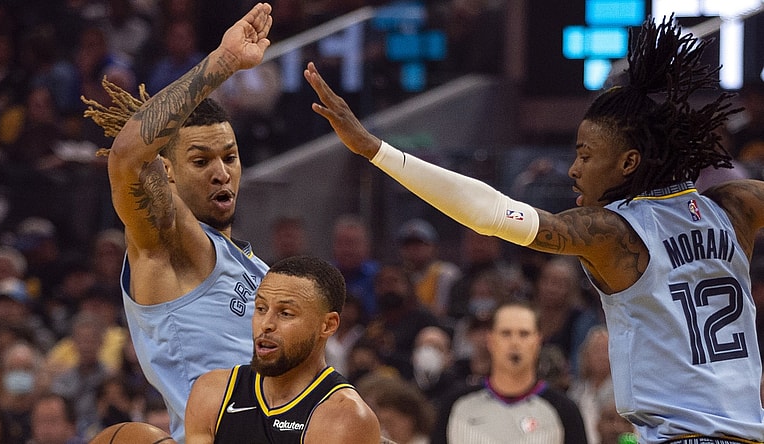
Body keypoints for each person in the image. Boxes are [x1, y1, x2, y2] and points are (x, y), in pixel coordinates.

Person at [304, 14, 764, 443]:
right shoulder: (737, 204)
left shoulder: (615, 233)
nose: (573, 170)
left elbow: (491, 212)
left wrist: (376, 150)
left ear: (628, 163)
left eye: (585, 155)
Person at [79, 4, 273, 441]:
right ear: (165, 171)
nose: (222, 173)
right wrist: (223, 62)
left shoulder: (251, 263)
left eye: (230, 157)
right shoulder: (169, 244)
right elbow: (128, 156)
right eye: (201, 160)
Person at [184, 255, 381, 443]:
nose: (266, 324)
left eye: (285, 313)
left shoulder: (344, 417)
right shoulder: (213, 392)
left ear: (328, 325)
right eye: (261, 308)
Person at [438, 301, 587, 443]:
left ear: (537, 340)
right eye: (506, 333)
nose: (514, 342)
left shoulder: (565, 411)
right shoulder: (456, 405)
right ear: (490, 340)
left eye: (524, 334)